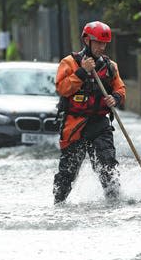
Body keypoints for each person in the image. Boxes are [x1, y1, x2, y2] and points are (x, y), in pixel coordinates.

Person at [53, 21, 126, 204]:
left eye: (104, 44)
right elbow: (62, 88)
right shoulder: (69, 63)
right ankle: (59, 204)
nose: (102, 47)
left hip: (99, 124)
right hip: (74, 125)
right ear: (87, 40)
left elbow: (120, 90)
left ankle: (114, 204)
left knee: (108, 167)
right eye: (98, 43)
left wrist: (115, 99)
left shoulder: (111, 67)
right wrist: (82, 72)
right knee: (67, 173)